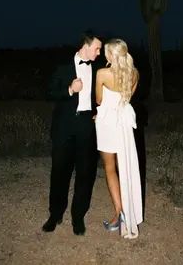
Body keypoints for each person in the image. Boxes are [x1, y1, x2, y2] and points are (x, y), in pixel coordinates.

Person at [42, 31, 102, 236]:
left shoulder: (99, 69)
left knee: (85, 174)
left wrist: (98, 113)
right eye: (97, 48)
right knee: (59, 172)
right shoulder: (63, 65)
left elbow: (105, 96)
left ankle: (78, 217)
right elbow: (49, 92)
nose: (99, 52)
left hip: (86, 125)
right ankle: (55, 214)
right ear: (85, 46)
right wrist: (69, 89)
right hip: (64, 126)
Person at [95, 38, 143, 239]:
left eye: (106, 52)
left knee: (110, 168)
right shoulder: (134, 74)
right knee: (126, 166)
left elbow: (99, 100)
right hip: (123, 124)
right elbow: (126, 99)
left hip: (107, 123)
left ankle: (118, 214)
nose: (104, 56)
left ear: (111, 55)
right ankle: (127, 212)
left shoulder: (102, 73)